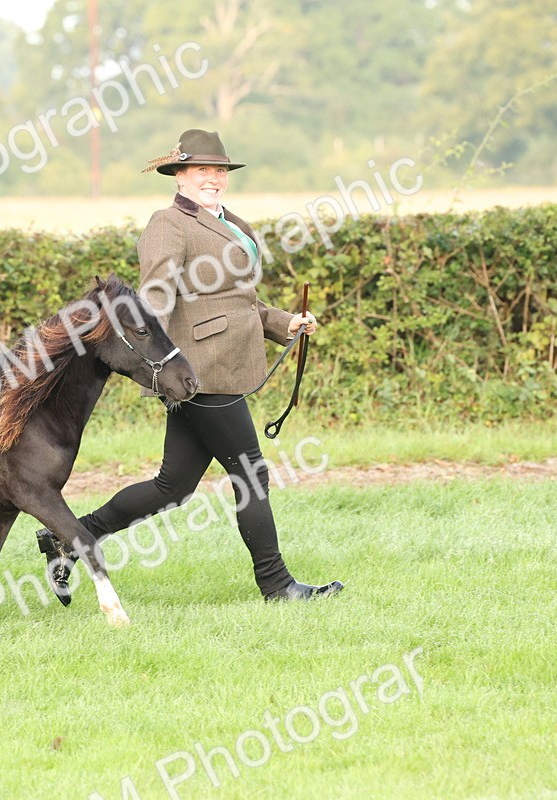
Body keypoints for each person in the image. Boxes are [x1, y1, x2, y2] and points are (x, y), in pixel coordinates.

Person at [37, 128, 344, 603]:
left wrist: (287, 323)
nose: (213, 178)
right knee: (251, 474)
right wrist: (150, 352)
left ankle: (69, 537)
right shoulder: (168, 223)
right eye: (202, 170)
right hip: (197, 371)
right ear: (179, 175)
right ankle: (278, 585)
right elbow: (155, 295)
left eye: (219, 170)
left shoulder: (229, 221)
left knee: (173, 485)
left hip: (224, 364)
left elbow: (240, 301)